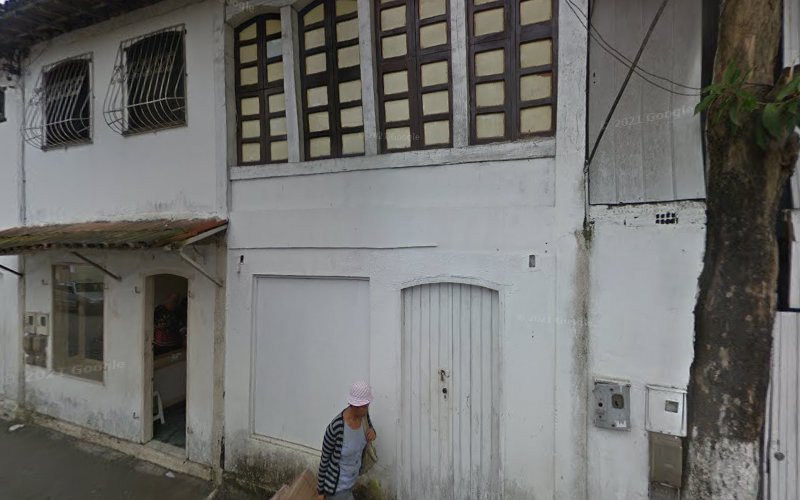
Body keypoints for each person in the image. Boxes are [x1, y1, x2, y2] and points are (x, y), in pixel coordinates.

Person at [317, 381, 377, 500]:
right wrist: (320, 492)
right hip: (337, 489)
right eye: (365, 406)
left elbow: (370, 429)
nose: (367, 409)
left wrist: (373, 433)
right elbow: (325, 460)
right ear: (355, 406)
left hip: (351, 483)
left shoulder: (364, 417)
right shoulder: (335, 428)